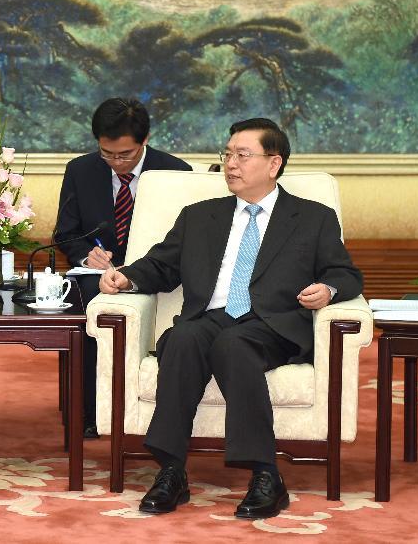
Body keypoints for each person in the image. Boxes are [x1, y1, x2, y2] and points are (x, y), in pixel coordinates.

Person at [99, 117, 363, 519]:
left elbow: (345, 274)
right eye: (227, 155)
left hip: (272, 324)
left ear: (273, 164)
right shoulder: (200, 216)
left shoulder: (313, 218)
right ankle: (171, 471)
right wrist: (128, 277)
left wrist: (328, 290)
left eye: (243, 155)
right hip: (213, 316)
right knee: (184, 338)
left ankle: (265, 475)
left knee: (233, 345)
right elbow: (160, 266)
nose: (231, 164)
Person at [55, 98, 191, 438]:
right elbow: (65, 234)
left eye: (125, 154)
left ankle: (150, 408)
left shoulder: (175, 173)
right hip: (97, 278)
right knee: (85, 304)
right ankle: (89, 412)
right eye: (107, 153)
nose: (116, 163)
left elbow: (186, 241)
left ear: (144, 141)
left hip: (157, 277)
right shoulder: (80, 171)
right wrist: (87, 256)